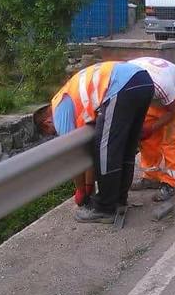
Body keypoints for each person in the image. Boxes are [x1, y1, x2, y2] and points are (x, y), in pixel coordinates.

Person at [33, 61, 154, 224]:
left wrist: (82, 190)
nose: (56, 133)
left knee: (107, 152)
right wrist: (89, 185)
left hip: (120, 87)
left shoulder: (59, 107)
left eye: (52, 132)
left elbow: (73, 156)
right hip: (143, 81)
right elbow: (88, 151)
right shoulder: (71, 96)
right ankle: (119, 200)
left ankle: (105, 209)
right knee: (125, 147)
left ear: (47, 122)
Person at [128, 57, 175, 202]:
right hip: (154, 96)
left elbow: (173, 110)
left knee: (172, 139)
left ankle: (170, 182)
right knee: (148, 139)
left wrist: (152, 126)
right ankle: (151, 177)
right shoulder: (126, 76)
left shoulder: (161, 84)